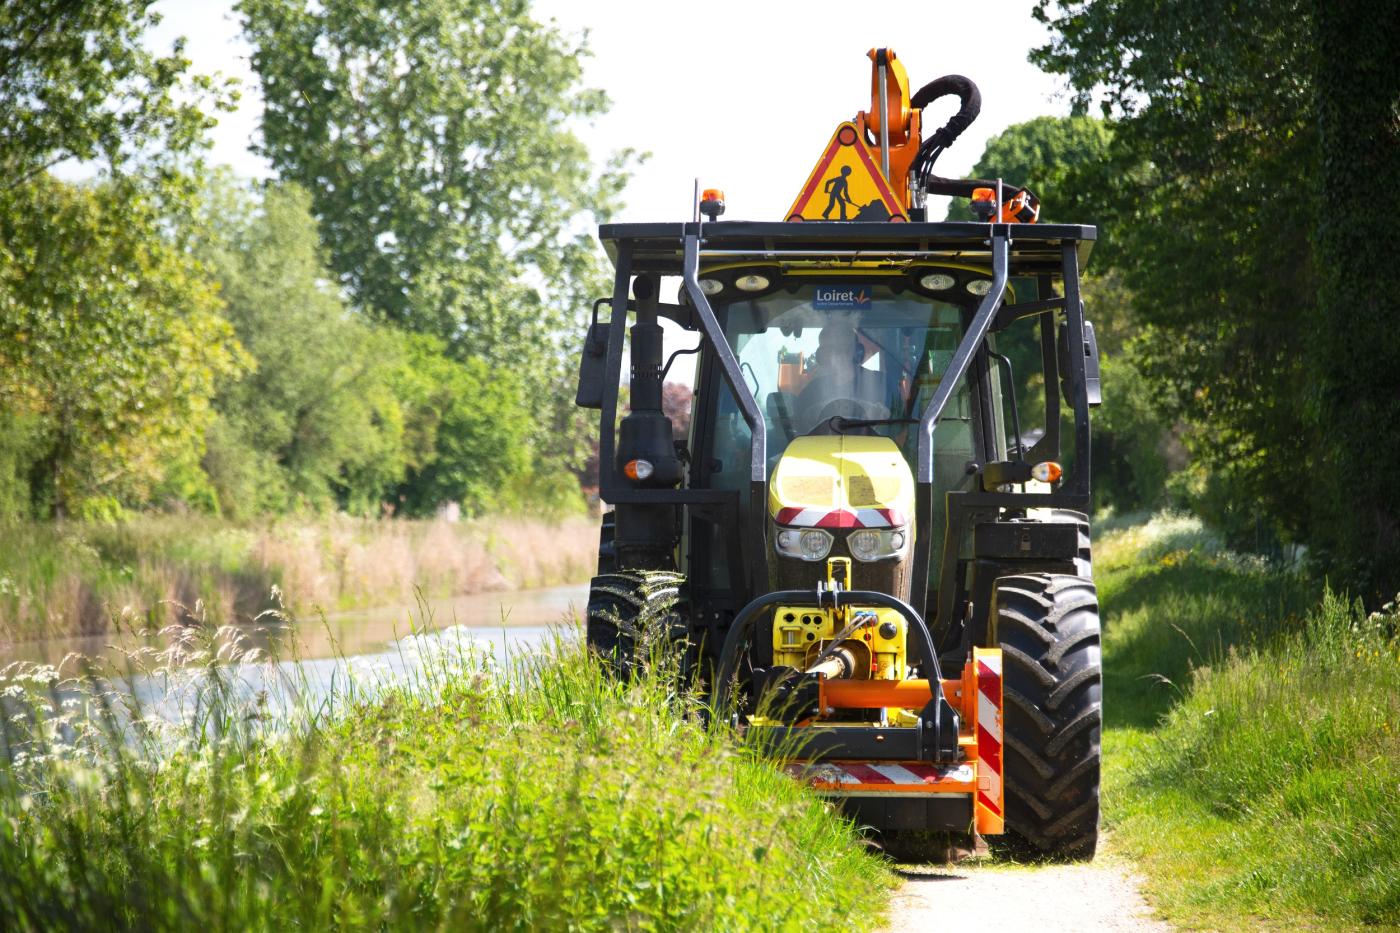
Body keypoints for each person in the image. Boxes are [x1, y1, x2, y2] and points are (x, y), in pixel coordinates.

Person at [795, 318, 888, 432]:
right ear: (821, 356)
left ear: (856, 352)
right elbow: (797, 434)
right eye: (828, 350)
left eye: (841, 348)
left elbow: (901, 430)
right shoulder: (811, 392)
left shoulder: (882, 385)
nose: (835, 355)